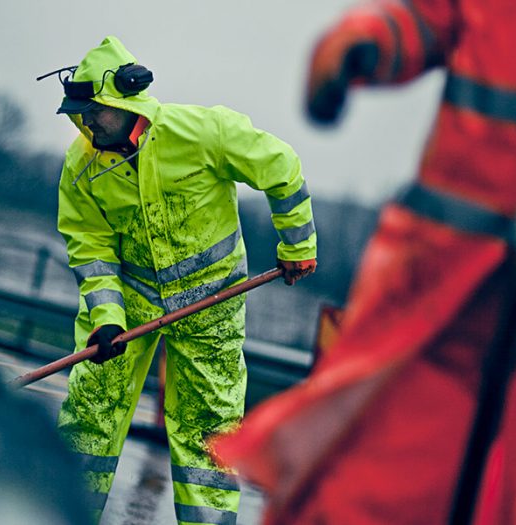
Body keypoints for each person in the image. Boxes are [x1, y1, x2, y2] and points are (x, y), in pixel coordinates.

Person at [212, 1, 516, 524]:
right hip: (445, 292)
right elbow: (422, 16)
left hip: (490, 314)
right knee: (368, 478)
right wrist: (359, 43)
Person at [52, 36, 317, 524]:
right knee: (91, 411)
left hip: (211, 302)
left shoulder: (203, 132)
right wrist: (107, 320)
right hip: (130, 301)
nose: (83, 122)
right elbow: (90, 247)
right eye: (77, 113)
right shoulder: (81, 165)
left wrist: (297, 248)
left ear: (121, 102)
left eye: (91, 111)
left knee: (208, 432)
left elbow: (281, 167)